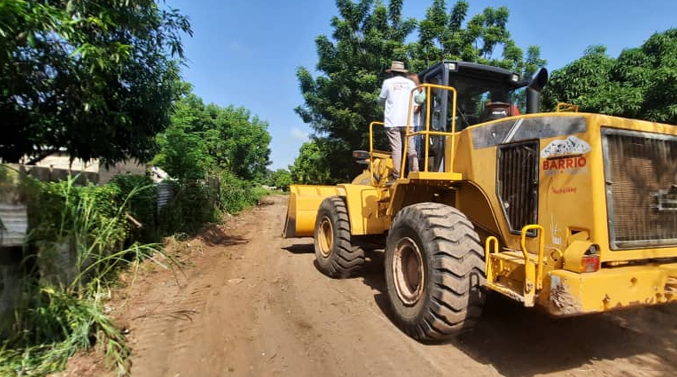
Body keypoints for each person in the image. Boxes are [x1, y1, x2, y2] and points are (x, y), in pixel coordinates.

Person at [379, 61, 419, 182]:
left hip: (393, 121)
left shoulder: (387, 83)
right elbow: (416, 101)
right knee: (411, 147)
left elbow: (381, 100)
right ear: (403, 72)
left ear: (392, 72)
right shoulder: (411, 84)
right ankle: (415, 170)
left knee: (397, 148)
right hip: (408, 121)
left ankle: (396, 175)